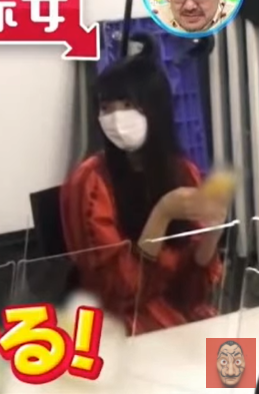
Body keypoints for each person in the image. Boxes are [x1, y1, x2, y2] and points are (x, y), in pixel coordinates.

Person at [60, 40, 227, 335]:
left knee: (234, 354)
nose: (115, 119)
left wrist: (213, 233)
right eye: (105, 108)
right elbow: (118, 291)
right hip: (119, 318)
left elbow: (193, 291)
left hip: (175, 308)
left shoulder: (182, 171)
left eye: (127, 105)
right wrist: (161, 215)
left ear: (155, 109)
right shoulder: (91, 182)